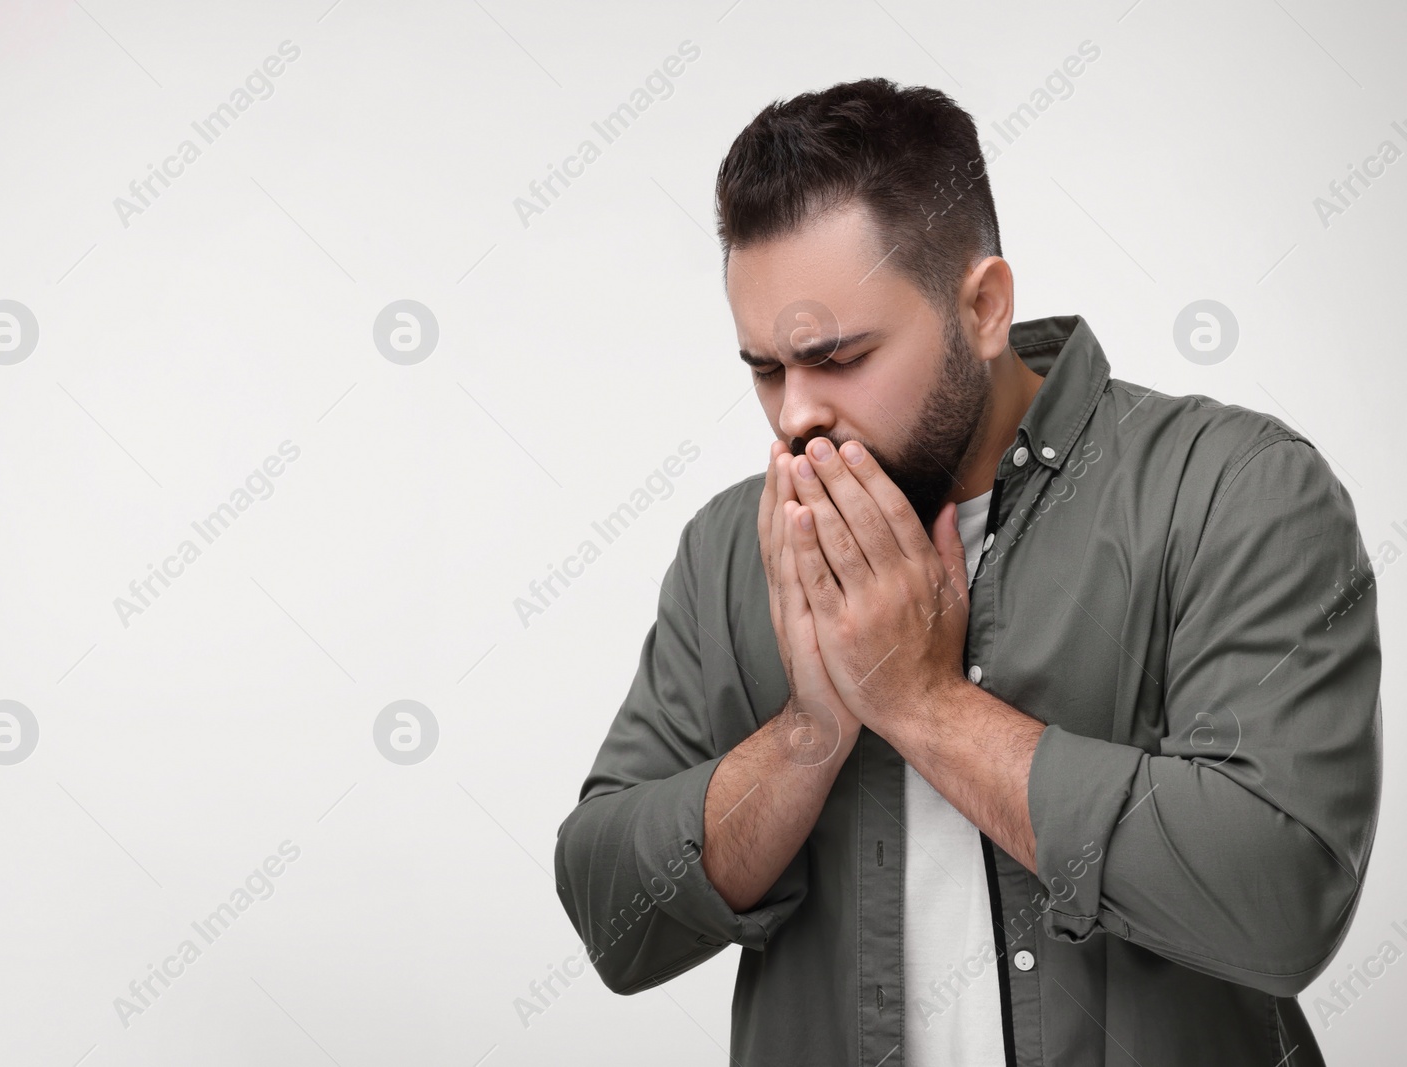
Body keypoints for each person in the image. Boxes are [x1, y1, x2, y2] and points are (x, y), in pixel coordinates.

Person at [552, 76, 1382, 1067]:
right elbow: (614, 922)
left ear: (983, 306)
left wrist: (921, 704)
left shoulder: (1233, 489)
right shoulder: (735, 543)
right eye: (766, 368)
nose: (794, 416)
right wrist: (811, 735)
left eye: (837, 356)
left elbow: (1279, 898)